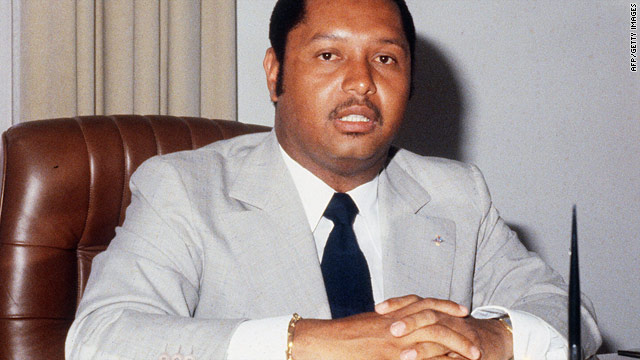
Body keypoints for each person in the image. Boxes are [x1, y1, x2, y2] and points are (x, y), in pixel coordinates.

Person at [66, 0, 602, 359]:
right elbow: (100, 337)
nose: (362, 83)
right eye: (328, 55)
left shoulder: (457, 193)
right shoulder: (183, 188)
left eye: (386, 59)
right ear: (275, 73)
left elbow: (567, 311)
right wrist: (312, 343)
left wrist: (490, 335)